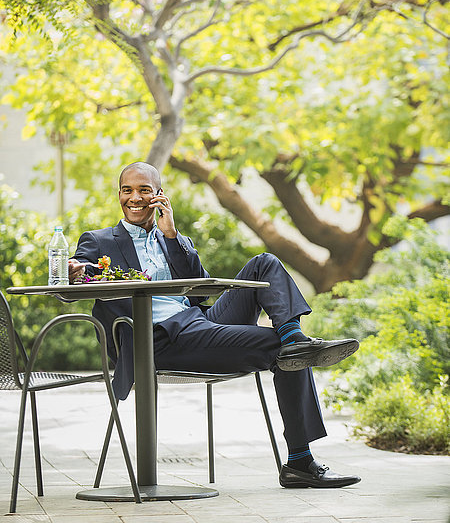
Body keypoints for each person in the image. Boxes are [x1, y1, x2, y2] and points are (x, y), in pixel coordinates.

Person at [69, 161, 361, 489]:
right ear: (119, 195)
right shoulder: (100, 241)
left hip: (198, 323)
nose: (134, 197)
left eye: (144, 190)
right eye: (127, 190)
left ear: (159, 195)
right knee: (286, 351)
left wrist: (172, 235)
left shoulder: (172, 238)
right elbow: (72, 287)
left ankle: (294, 337)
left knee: (264, 264)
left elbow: (205, 286)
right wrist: (73, 273)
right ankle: (300, 461)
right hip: (157, 339)